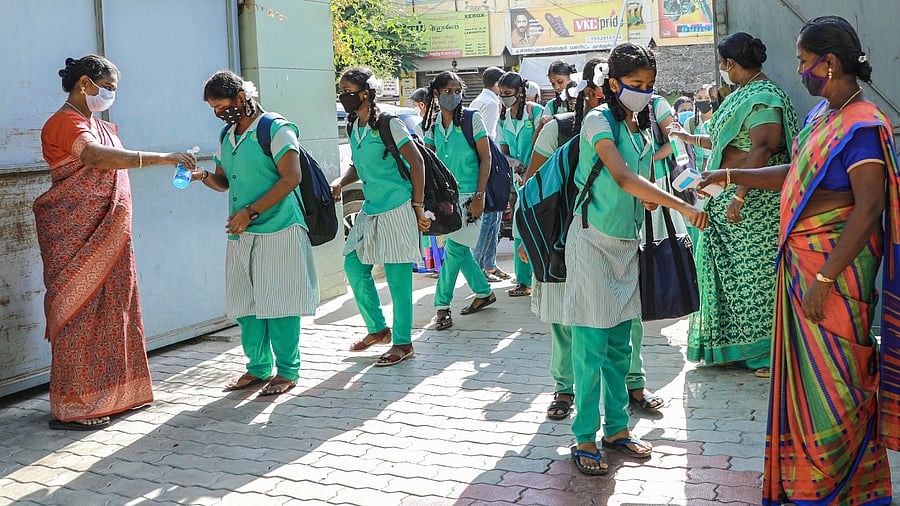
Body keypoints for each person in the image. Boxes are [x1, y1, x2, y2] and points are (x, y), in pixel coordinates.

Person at [699, 16, 899, 505]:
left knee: (837, 384)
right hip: (801, 268)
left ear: (829, 63)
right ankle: (805, 483)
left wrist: (826, 279)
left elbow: (869, 206)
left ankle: (839, 487)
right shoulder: (820, 118)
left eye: (804, 62)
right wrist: (728, 174)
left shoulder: (864, 126)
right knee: (805, 388)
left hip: (832, 278)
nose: (800, 70)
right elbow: (796, 176)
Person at [564, 43, 708, 475]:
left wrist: (648, 202)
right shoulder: (597, 121)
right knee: (590, 349)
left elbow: (638, 184)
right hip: (591, 244)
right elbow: (624, 177)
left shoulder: (641, 127)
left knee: (619, 347)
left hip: (627, 245)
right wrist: (682, 206)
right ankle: (584, 436)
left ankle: (617, 429)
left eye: (649, 86)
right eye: (634, 85)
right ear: (613, 84)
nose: (644, 93)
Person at [35, 55, 195, 430]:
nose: (110, 95)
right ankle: (74, 406)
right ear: (85, 84)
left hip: (111, 236)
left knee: (117, 312)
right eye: (107, 87)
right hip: (75, 237)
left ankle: (120, 394)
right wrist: (161, 158)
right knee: (79, 316)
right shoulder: (64, 122)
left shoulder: (99, 124)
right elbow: (92, 156)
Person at [670, 32, 799, 378]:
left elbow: (764, 148)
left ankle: (766, 353)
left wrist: (739, 194)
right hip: (727, 198)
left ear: (729, 64)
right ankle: (736, 346)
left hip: (756, 205)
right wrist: (687, 138)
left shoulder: (763, 97)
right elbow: (725, 140)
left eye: (723, 64)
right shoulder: (743, 95)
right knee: (733, 277)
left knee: (755, 277)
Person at [197, 70, 319, 396]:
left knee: (279, 303)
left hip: (279, 228)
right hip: (242, 232)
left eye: (221, 106)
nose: (218, 113)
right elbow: (224, 182)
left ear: (241, 98)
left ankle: (288, 370)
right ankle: (258, 367)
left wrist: (251, 212)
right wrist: (202, 175)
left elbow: (291, 177)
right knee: (246, 304)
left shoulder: (276, 129)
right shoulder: (228, 136)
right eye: (213, 108)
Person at [331, 67, 431, 366]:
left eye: (348, 90)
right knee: (353, 265)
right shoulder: (354, 125)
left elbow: (417, 164)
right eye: (341, 90)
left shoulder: (389, 123)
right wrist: (341, 182)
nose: (343, 96)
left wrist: (417, 205)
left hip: (398, 206)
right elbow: (358, 166)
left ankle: (403, 342)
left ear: (365, 93)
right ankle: (378, 329)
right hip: (372, 207)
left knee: (398, 279)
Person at [421, 72, 495, 329]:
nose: (453, 96)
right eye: (447, 91)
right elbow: (427, 162)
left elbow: (486, 158)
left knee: (454, 251)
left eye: (457, 91)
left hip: (471, 197)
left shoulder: (473, 120)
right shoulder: (431, 128)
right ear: (436, 94)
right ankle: (484, 292)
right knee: (460, 249)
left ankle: (441, 306)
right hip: (447, 200)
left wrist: (479, 196)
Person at [497, 71, 544, 297]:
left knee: (538, 227)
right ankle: (523, 281)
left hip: (540, 179)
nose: (505, 97)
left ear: (520, 92)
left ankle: (542, 277)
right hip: (517, 181)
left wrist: (530, 169)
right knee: (518, 230)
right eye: (502, 94)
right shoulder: (502, 118)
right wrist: (514, 162)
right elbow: (501, 152)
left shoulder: (536, 113)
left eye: (509, 93)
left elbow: (544, 144)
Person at [470, 67, 510, 283]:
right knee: (491, 215)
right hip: (489, 160)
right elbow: (489, 136)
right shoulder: (492, 102)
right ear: (497, 85)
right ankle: (480, 268)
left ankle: (489, 264)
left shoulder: (478, 100)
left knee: (493, 215)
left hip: (481, 160)